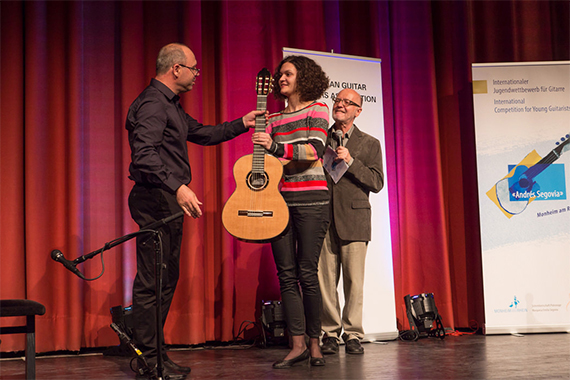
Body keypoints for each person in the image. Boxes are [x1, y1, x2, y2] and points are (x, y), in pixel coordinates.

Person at [126, 42, 263, 379]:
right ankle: (147, 358)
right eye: (194, 68)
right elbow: (144, 155)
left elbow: (200, 132)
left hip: (166, 198)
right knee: (153, 280)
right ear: (176, 69)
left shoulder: (169, 104)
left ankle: (157, 354)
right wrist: (178, 186)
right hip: (157, 197)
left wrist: (241, 124)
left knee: (165, 279)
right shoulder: (153, 105)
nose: (197, 74)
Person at [252, 55, 330, 368]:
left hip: (312, 200)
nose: (281, 78)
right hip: (278, 203)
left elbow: (314, 151)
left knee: (307, 273)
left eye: (288, 73)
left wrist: (274, 148)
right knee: (286, 275)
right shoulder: (270, 120)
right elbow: (268, 167)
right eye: (280, 74)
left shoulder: (317, 109)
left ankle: (315, 342)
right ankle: (296, 344)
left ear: (304, 77)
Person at [318, 88, 384, 355]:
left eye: (348, 103)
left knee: (354, 282)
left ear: (358, 110)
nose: (341, 105)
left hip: (355, 219)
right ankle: (330, 334)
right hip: (323, 217)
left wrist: (352, 161)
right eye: (338, 100)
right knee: (325, 280)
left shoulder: (370, 143)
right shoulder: (320, 139)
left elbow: (377, 182)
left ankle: (353, 334)